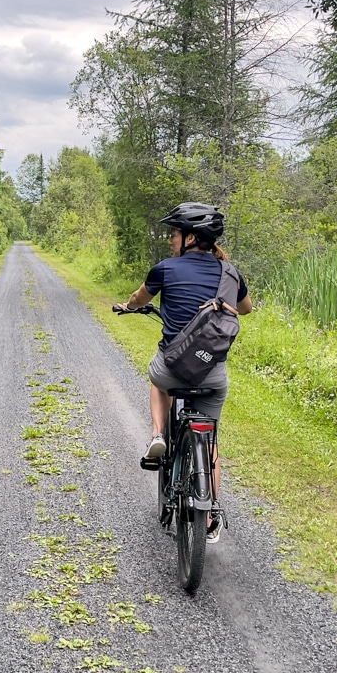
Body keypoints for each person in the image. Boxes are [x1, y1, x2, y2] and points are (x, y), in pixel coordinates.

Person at [112, 203, 253, 475]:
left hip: (171, 370)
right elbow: (246, 308)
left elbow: (138, 299)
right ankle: (210, 516)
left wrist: (128, 307)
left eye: (173, 233)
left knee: (157, 379)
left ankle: (156, 435)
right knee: (211, 442)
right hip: (212, 373)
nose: (169, 239)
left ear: (190, 238)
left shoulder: (165, 269)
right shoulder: (230, 273)